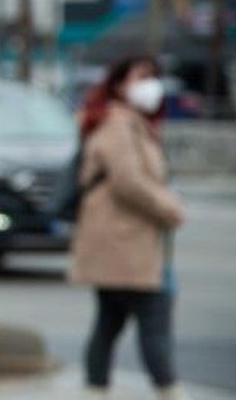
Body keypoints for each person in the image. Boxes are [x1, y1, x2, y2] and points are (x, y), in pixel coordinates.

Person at [70, 55, 187, 399]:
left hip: (125, 241)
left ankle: (95, 391)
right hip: (125, 241)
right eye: (141, 76)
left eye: (153, 76)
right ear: (120, 84)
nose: (151, 84)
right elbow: (128, 181)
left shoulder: (130, 122)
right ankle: (171, 391)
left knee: (109, 321)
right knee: (155, 321)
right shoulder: (118, 124)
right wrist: (171, 209)